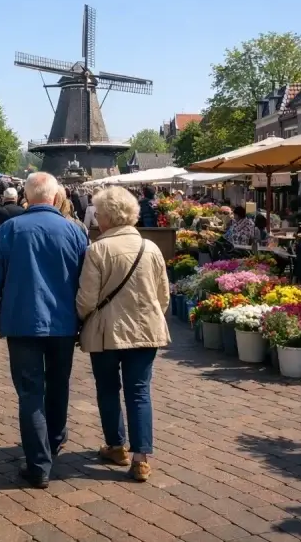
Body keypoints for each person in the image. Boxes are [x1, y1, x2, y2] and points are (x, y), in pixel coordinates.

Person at [0, 172, 89, 489]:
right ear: (55, 197)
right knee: (58, 384)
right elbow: (86, 280)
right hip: (64, 323)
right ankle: (53, 443)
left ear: (27, 197)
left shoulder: (10, 229)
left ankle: (38, 463)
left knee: (30, 392)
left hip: (22, 322)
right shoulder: (74, 232)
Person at [76, 186, 170, 483]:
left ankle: (116, 446)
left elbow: (87, 299)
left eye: (99, 215)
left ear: (106, 217)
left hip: (106, 332)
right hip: (145, 329)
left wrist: (82, 320)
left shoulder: (97, 250)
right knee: (139, 390)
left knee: (107, 388)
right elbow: (163, 296)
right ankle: (141, 458)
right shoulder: (151, 248)